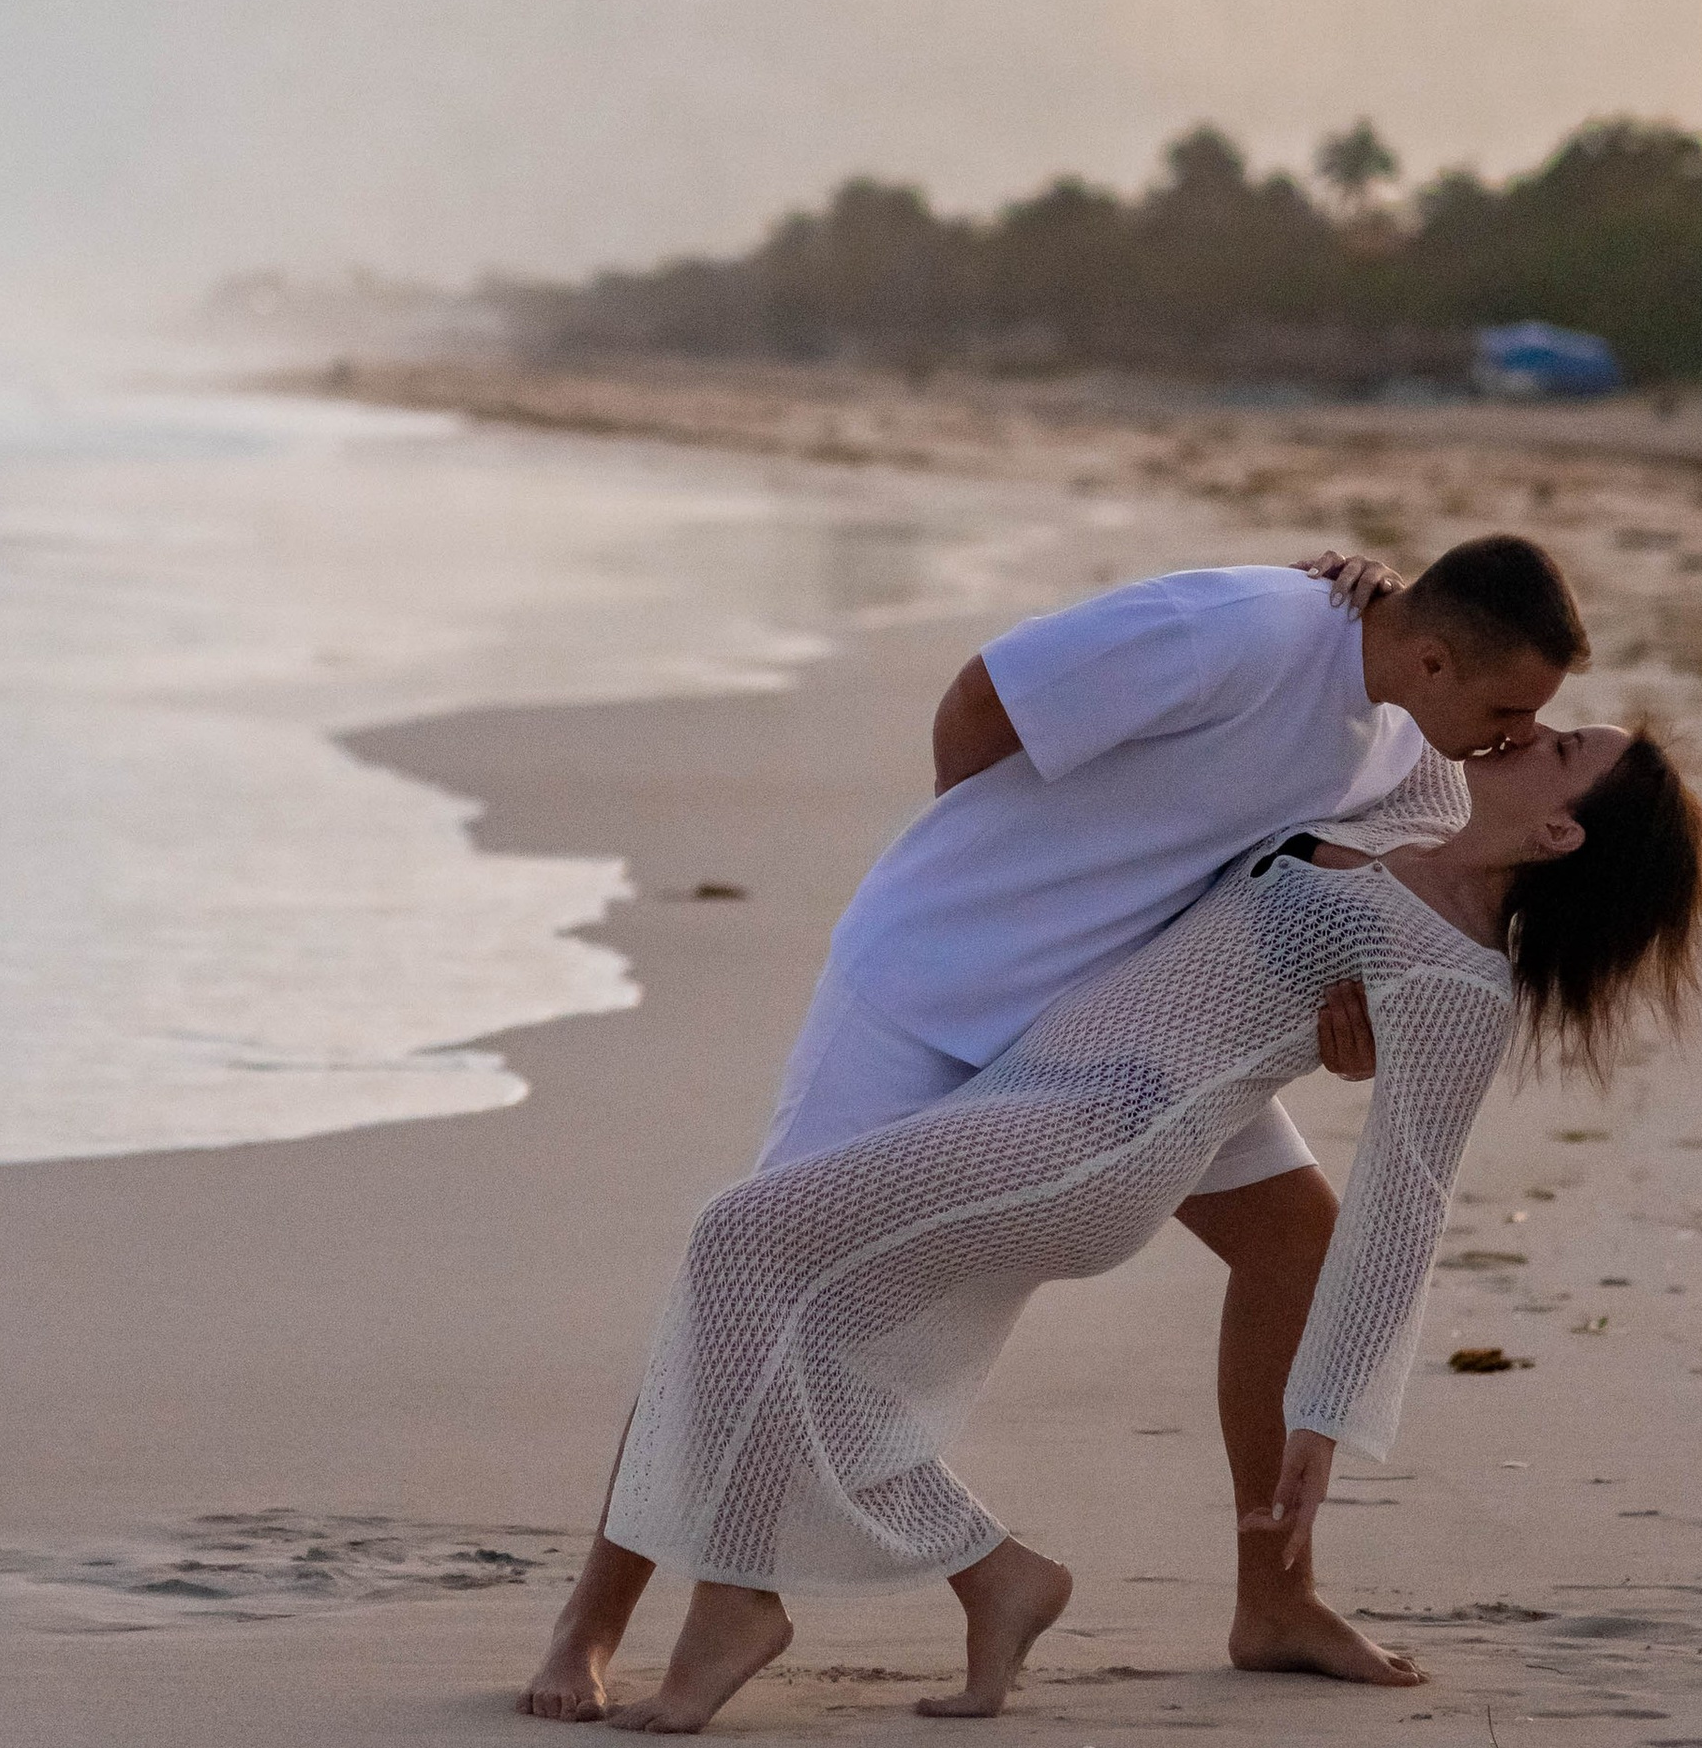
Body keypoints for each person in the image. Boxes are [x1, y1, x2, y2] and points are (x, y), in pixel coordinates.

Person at [521, 535, 1591, 1723]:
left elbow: (1380, 911)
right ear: (1435, 657)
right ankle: (601, 1620)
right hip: (940, 983)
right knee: (761, 1270)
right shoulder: (1240, 629)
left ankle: (1273, 1598)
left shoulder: (1420, 746)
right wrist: (1007, 874)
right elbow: (985, 698)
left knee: (1299, 1245)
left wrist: (1358, 1025)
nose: (1509, 737)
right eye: (1506, 710)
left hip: (1136, 1034)